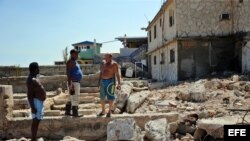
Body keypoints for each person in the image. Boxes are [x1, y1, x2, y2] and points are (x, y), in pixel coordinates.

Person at [26, 62, 46, 141]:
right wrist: (32, 107)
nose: (39, 69)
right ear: (36, 69)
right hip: (36, 102)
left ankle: (34, 138)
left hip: (38, 101)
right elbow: (29, 94)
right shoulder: (30, 79)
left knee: (37, 120)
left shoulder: (34, 78)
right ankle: (33, 139)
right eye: (38, 67)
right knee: (35, 121)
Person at [64, 49, 83, 117]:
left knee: (70, 98)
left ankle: (67, 111)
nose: (77, 55)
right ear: (72, 54)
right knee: (75, 97)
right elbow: (68, 74)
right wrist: (70, 84)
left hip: (76, 82)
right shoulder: (70, 62)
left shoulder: (75, 62)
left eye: (77, 54)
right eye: (76, 54)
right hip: (73, 83)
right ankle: (75, 113)